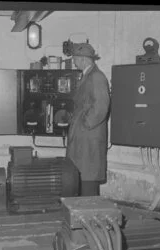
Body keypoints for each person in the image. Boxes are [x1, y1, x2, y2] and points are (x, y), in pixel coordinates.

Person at [66, 43, 110, 196]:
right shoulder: (88, 75)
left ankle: (89, 214)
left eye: (75, 58)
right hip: (84, 138)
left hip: (88, 138)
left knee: (88, 181)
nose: (73, 61)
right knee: (82, 178)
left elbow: (101, 106)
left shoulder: (96, 77)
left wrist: (84, 124)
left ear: (83, 59)